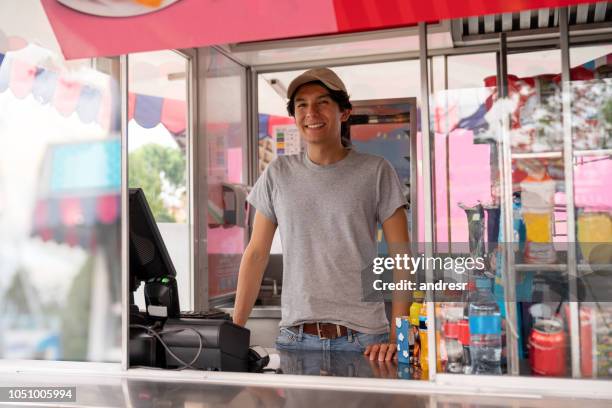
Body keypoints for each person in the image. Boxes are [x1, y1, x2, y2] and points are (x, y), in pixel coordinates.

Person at [233, 67, 410, 362]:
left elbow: (401, 257)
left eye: (322, 102)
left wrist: (399, 339)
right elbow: (255, 254)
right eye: (302, 105)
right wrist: (234, 332)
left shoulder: (376, 171)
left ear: (344, 112)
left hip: (365, 341)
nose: (311, 112)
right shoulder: (278, 173)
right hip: (295, 340)